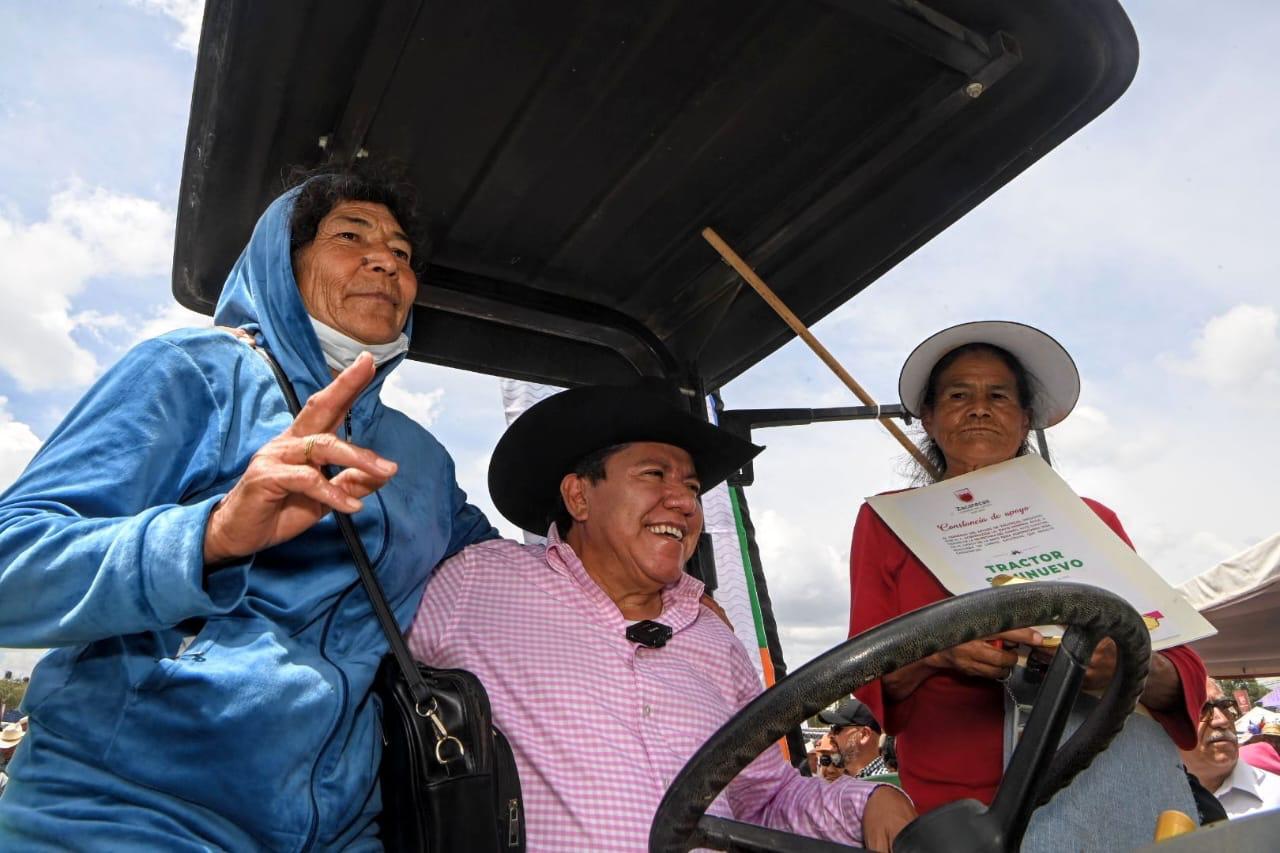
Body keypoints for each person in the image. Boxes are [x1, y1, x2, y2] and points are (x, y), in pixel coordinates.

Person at [0, 165, 496, 849]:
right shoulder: (194, 370)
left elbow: (505, 572)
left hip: (344, 833)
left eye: (403, 254)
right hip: (124, 815)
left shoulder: (424, 463)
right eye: (351, 235)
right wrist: (209, 536)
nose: (386, 259)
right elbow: (11, 567)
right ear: (282, 264)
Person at [407, 383, 917, 851]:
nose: (684, 503)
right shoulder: (480, 585)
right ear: (579, 496)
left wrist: (867, 801)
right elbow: (355, 667)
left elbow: (764, 801)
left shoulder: (714, 637)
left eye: (693, 488)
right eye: (654, 475)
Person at [847, 321, 1208, 849]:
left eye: (998, 395)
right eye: (957, 394)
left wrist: (1126, 664)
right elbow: (867, 674)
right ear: (928, 416)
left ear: (1025, 419)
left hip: (1096, 796)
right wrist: (936, 655)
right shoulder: (888, 524)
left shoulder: (1092, 519)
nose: (979, 407)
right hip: (962, 815)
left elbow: (1180, 669)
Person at [1180, 679, 1280, 818]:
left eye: (1224, 705)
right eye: (1201, 708)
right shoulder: (1152, 801)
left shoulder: (1275, 795)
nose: (1222, 721)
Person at [818, 698, 889, 779]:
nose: (830, 735)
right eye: (831, 729)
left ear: (864, 735)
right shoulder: (841, 782)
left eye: (837, 729)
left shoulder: (888, 783)